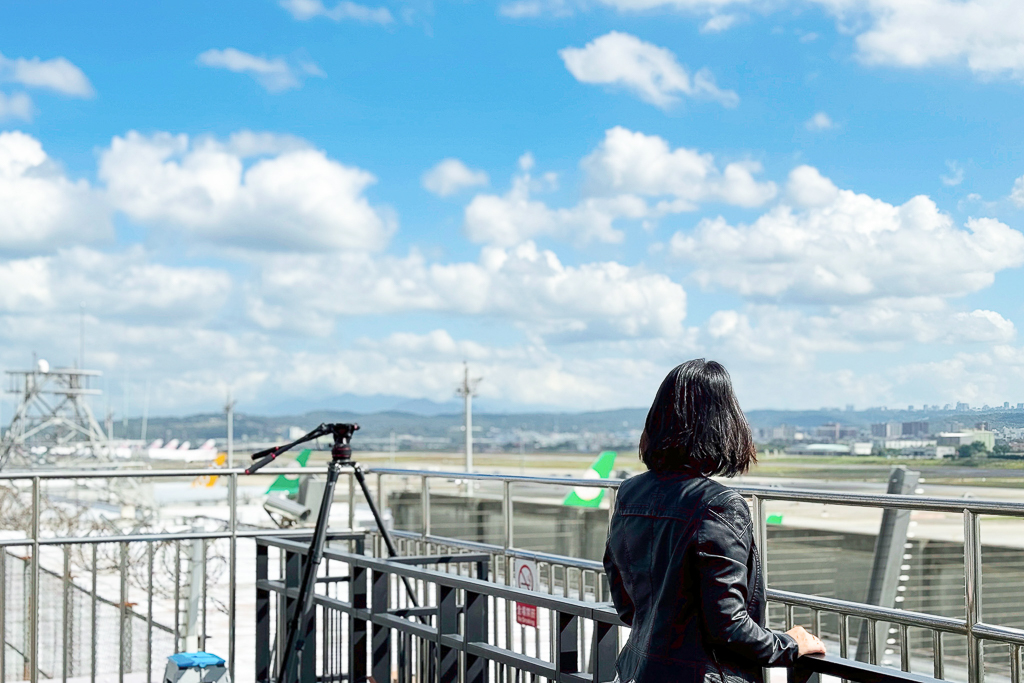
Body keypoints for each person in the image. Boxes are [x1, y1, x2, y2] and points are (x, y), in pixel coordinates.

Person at [604, 359, 825, 683]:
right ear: (722, 423)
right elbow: (729, 626)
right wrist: (792, 643)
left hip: (641, 671)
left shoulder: (630, 493)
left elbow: (626, 605)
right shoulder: (719, 505)